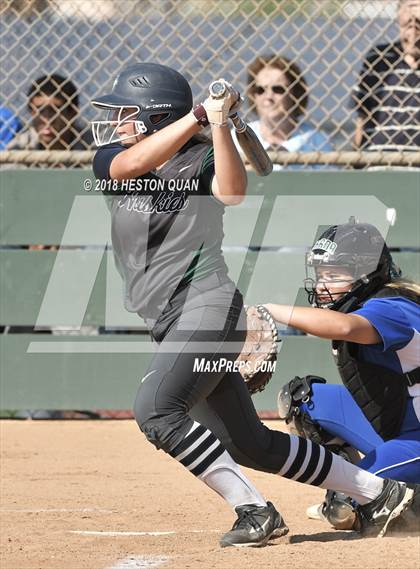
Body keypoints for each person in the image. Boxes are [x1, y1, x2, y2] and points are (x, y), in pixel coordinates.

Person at [91, 63, 417, 547]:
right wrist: (202, 114)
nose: (115, 122)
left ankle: (255, 511)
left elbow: (233, 190)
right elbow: (128, 167)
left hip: (206, 305)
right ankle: (380, 493)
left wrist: (220, 125)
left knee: (158, 410)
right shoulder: (112, 159)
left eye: (126, 113)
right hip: (166, 316)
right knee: (248, 442)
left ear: (154, 116)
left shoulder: (200, 159)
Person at [264, 220, 419, 530]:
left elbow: (346, 328)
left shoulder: (392, 306)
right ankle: (355, 486)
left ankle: (401, 498)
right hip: (402, 426)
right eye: (321, 275)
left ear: (367, 276)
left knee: (345, 510)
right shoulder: (367, 303)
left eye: (334, 276)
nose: (323, 285)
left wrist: (268, 309)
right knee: (303, 400)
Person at [241, 54, 333, 170]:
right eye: (260, 90)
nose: (268, 96)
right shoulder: (239, 136)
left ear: (295, 94)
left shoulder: (316, 141)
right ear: (254, 96)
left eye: (278, 89)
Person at [352, 0, 420, 153]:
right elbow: (362, 115)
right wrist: (355, 160)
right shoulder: (379, 58)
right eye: (408, 25)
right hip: (377, 159)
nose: (413, 35)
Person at [7, 73, 92, 151]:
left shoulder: (92, 145)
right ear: (32, 112)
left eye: (55, 111)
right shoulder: (21, 145)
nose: (46, 119)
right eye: (40, 110)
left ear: (72, 113)